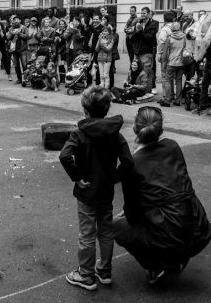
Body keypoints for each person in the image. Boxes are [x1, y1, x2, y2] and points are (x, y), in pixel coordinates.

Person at [113, 106, 211, 284]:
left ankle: (159, 264)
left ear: (135, 130)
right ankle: (176, 256)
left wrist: (129, 213)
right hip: (199, 228)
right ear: (161, 129)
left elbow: (133, 214)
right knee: (160, 217)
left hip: (169, 235)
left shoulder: (133, 164)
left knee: (115, 226)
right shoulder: (172, 146)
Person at [59, 86, 133, 291]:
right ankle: (105, 270)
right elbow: (128, 162)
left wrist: (77, 177)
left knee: (87, 234)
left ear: (85, 110)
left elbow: (65, 155)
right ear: (106, 109)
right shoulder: (115, 134)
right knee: (106, 232)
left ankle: (86, 275)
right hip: (105, 192)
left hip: (86, 192)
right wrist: (113, 178)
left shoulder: (79, 133)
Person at [157, 11, 175, 102]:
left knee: (165, 77)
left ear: (164, 19)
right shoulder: (176, 28)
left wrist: (159, 53)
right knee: (170, 77)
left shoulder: (165, 29)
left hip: (165, 54)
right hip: (174, 55)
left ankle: (165, 97)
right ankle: (171, 94)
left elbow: (161, 41)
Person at [7, 16, 28, 84]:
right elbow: (8, 38)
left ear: (20, 20)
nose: (16, 21)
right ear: (13, 21)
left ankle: (25, 79)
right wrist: (12, 34)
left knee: (24, 65)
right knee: (16, 65)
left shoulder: (24, 27)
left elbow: (26, 36)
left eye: (17, 19)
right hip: (14, 49)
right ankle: (19, 79)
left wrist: (19, 33)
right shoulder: (11, 28)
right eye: (14, 20)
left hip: (22, 49)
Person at [95, 25, 114, 89]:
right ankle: (101, 87)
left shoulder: (111, 39)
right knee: (101, 75)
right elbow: (96, 49)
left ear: (109, 32)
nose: (104, 32)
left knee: (106, 75)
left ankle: (106, 88)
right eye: (103, 31)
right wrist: (99, 40)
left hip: (107, 59)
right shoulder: (100, 39)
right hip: (100, 58)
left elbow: (108, 49)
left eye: (105, 31)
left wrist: (101, 43)